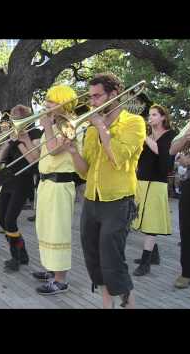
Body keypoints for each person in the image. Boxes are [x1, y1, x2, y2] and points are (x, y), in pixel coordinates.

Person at [64, 73, 146, 309]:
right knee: (94, 258)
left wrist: (100, 126)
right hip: (91, 200)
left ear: (114, 95)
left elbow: (118, 157)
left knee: (113, 259)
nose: (92, 102)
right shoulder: (90, 129)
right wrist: (72, 151)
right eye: (91, 97)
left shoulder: (134, 122)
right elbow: (84, 172)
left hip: (118, 200)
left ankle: (128, 305)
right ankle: (106, 305)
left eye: (97, 96)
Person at [32, 86, 86, 295]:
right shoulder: (54, 124)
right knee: (45, 228)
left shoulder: (71, 125)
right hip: (46, 183)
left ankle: (61, 280)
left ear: (64, 103)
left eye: (51, 102)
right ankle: (52, 270)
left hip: (60, 184)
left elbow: (55, 151)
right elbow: (44, 152)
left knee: (57, 231)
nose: (46, 105)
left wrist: (46, 127)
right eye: (47, 101)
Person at [0, 106, 43, 271]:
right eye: (13, 118)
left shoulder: (35, 134)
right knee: (2, 220)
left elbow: (35, 160)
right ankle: (21, 253)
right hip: (8, 180)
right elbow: (0, 157)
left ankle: (16, 257)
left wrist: (22, 140)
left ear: (26, 119)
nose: (13, 121)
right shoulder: (11, 136)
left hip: (23, 181)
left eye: (16, 118)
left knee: (10, 220)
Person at [132, 104, 176, 276]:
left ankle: (145, 262)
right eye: (149, 115)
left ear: (163, 117)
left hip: (157, 183)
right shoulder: (148, 136)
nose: (150, 118)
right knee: (142, 220)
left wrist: (144, 137)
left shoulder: (170, 135)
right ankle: (153, 254)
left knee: (151, 224)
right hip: (142, 181)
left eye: (155, 115)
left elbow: (162, 152)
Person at [169, 111, 190, 289]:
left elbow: (186, 160)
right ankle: (188, 272)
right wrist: (187, 136)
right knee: (187, 231)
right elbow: (173, 149)